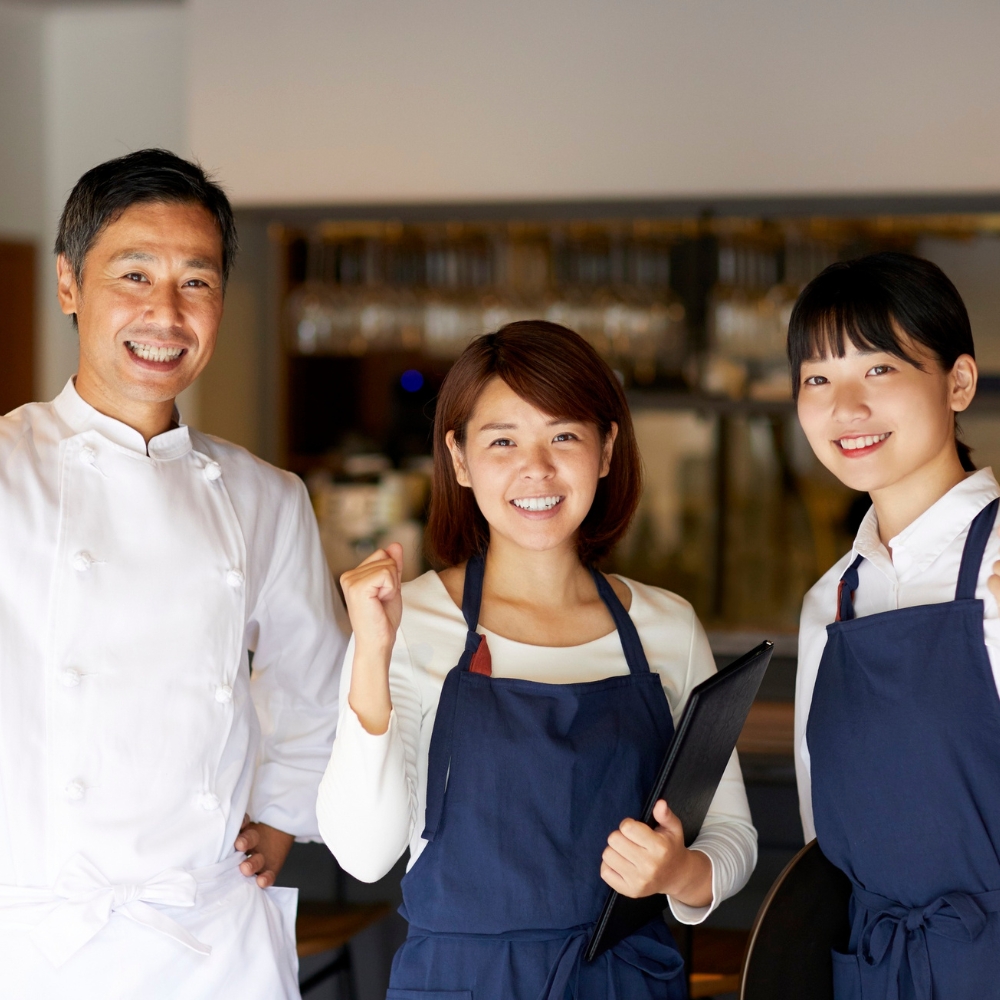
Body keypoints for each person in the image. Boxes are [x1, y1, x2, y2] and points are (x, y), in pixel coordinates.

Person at [318, 321, 757, 999]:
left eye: (564, 436)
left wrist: (677, 875)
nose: (537, 469)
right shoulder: (406, 622)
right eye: (502, 441)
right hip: (462, 983)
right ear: (459, 459)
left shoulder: (666, 627)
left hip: (624, 981)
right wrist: (372, 654)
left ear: (607, 449)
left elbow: (730, 833)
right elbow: (363, 853)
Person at [0, 150, 345, 999]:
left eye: (197, 282)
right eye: (134, 274)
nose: (166, 312)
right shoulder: (8, 470)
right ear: (69, 285)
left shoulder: (267, 497)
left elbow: (318, 682)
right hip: (35, 935)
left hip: (208, 940)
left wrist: (282, 818)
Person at [792, 252, 1000, 999]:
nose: (845, 407)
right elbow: (826, 844)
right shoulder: (830, 603)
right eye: (818, 378)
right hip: (875, 973)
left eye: (879, 369)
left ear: (959, 382)